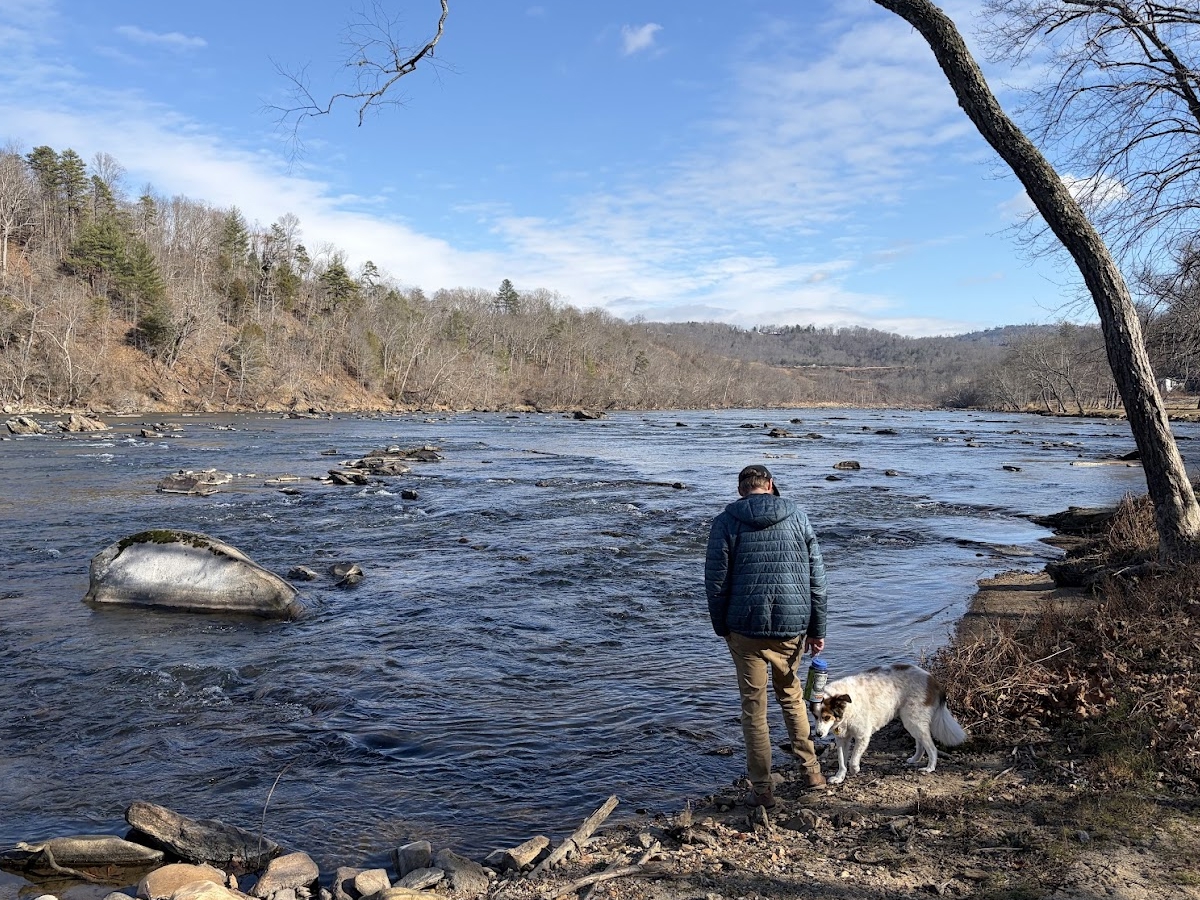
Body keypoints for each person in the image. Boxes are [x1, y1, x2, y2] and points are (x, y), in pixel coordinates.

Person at [704, 463, 828, 808]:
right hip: (791, 625)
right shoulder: (798, 516)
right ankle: (812, 772)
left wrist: (720, 626)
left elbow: (715, 584)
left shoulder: (726, 521)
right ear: (771, 485)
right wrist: (818, 629)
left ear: (740, 489)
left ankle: (762, 790)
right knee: (791, 696)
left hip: (744, 628)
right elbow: (817, 580)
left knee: (754, 709)